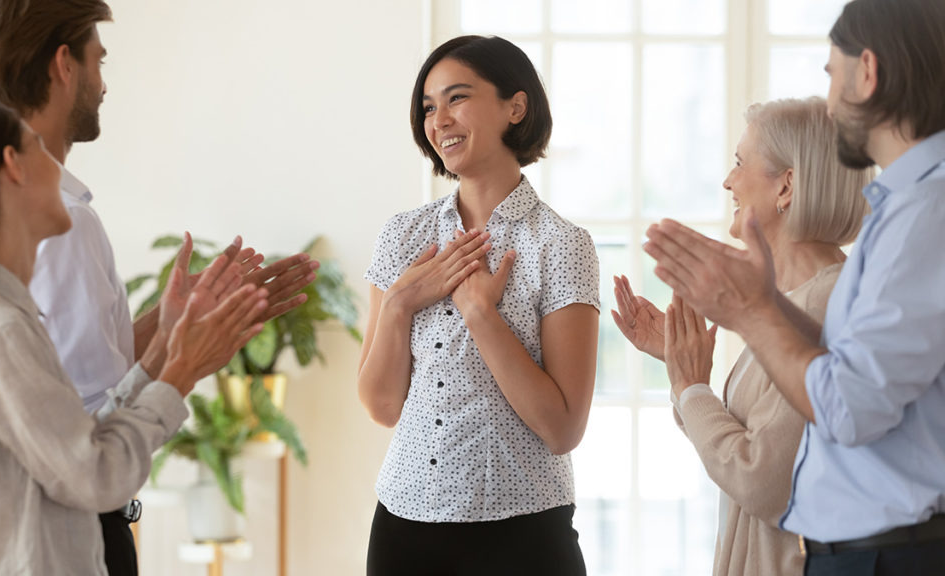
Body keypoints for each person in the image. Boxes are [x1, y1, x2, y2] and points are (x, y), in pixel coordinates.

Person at [0, 1, 319, 572]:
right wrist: (186, 358)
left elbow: (61, 375)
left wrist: (170, 324)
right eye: (98, 60)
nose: (104, 84)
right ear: (63, 65)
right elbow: (95, 438)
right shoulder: (62, 222)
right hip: (69, 530)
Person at [641, 0, 945, 574]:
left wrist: (752, 312)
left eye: (831, 74)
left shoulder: (925, 211)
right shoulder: (903, 209)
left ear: (868, 73)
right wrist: (748, 307)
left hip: (889, 554)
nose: (830, 104)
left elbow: (847, 407)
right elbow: (844, 353)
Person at [0, 102, 268, 575]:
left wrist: (165, 343)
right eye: (38, 147)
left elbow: (72, 448)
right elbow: (96, 474)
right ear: (12, 167)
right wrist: (180, 372)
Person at [357, 35, 600, 575]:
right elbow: (380, 406)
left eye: (457, 98)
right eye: (428, 106)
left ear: (516, 107)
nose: (438, 119)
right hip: (403, 530)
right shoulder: (403, 237)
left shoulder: (561, 245)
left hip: (524, 537)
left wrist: (482, 316)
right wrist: (398, 305)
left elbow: (563, 429)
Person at [613, 97, 873, 576]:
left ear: (787, 185)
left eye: (739, 162)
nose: (728, 181)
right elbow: (741, 440)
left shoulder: (825, 302)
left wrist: (692, 388)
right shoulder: (795, 298)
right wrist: (679, 365)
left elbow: (760, 479)